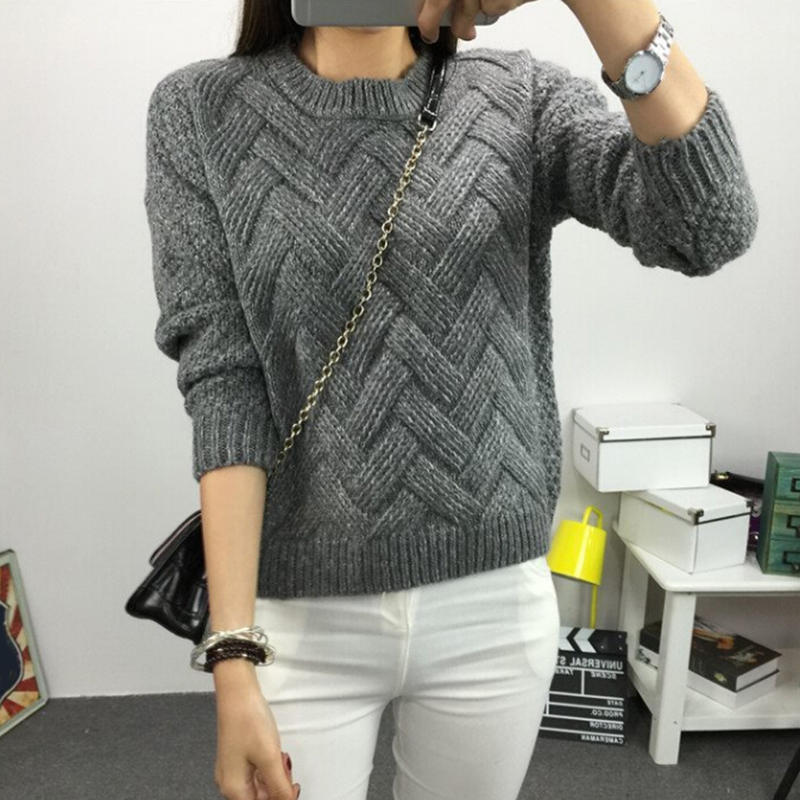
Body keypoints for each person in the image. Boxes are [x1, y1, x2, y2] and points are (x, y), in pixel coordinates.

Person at [143, 1, 758, 799]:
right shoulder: (199, 110)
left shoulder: (519, 97)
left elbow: (708, 227)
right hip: (299, 610)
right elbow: (225, 384)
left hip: (492, 604)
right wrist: (231, 654)